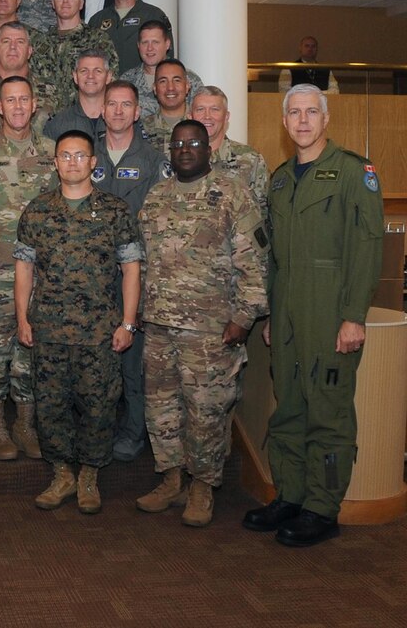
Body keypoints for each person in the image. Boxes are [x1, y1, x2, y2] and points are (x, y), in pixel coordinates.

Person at [243, 84, 383, 547]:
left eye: (311, 112)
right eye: (294, 113)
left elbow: (366, 248)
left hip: (330, 309)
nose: (302, 121)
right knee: (289, 409)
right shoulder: (280, 179)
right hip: (287, 312)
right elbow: (274, 257)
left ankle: (323, 508)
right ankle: (291, 496)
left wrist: (353, 316)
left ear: (326, 120)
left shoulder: (352, 173)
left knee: (328, 412)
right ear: (284, 123)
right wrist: (272, 315)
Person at [138, 120, 269, 527]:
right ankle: (172, 478)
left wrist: (244, 318)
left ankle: (202, 486)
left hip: (211, 330)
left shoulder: (233, 194)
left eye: (193, 143)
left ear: (208, 148)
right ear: (170, 150)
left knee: (207, 411)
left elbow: (254, 262)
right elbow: (144, 260)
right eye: (178, 144)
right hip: (159, 325)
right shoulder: (157, 196)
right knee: (161, 408)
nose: (185, 149)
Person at [14, 130, 142, 514]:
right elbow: (24, 269)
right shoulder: (37, 211)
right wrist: (22, 318)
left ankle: (89, 475)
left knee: (99, 405)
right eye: (65, 156)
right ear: (55, 163)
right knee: (50, 404)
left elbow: (131, 271)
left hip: (99, 331)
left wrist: (128, 324)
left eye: (80, 156)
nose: (72, 162)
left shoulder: (115, 211)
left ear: (93, 163)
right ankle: (62, 474)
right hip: (49, 327)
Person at [0, 76, 57, 461]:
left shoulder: (53, 152)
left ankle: (25, 421)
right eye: (10, 100)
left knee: (32, 349)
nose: (17, 107)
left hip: (41, 274)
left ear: (34, 104)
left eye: (24, 99)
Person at [92, 80, 170, 463]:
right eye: (112, 104)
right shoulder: (86, 156)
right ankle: (96, 431)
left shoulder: (154, 160)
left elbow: (161, 220)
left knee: (133, 364)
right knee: (94, 362)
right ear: (102, 111)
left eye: (127, 105)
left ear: (138, 112)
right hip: (89, 276)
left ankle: (133, 432)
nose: (119, 111)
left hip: (136, 274)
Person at [188, 86, 270, 222]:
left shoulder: (250, 159)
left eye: (215, 109)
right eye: (200, 109)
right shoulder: (179, 159)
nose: (207, 116)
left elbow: (262, 214)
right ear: (190, 116)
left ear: (226, 116)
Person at [33, 0, 118, 110]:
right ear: (53, 3)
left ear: (81, 4)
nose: (65, 1)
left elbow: (111, 79)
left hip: (85, 116)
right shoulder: (41, 43)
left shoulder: (97, 39)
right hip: (47, 118)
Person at [88, 0, 171, 74]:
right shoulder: (97, 20)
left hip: (142, 89)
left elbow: (168, 60)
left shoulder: (153, 15)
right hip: (107, 89)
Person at [119, 21, 198, 117]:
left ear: (167, 44)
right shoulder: (127, 80)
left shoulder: (189, 79)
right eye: (145, 43)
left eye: (155, 42)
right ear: (138, 46)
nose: (149, 48)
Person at [43, 48, 113, 140]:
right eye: (84, 71)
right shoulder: (57, 125)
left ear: (108, 77)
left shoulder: (121, 120)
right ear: (75, 77)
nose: (90, 76)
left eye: (98, 71)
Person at [143, 58, 197, 153]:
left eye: (177, 80)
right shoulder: (142, 129)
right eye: (163, 81)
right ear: (154, 88)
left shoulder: (199, 124)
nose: (170, 88)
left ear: (187, 86)